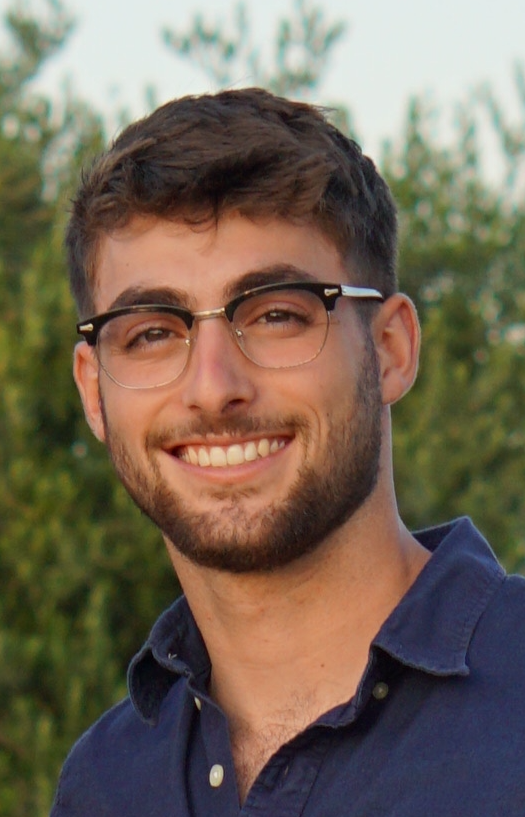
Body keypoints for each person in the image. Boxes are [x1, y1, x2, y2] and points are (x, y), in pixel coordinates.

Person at [50, 88, 525, 816]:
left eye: (276, 315)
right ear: (94, 391)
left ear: (390, 349)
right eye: (151, 332)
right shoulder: (103, 785)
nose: (212, 389)